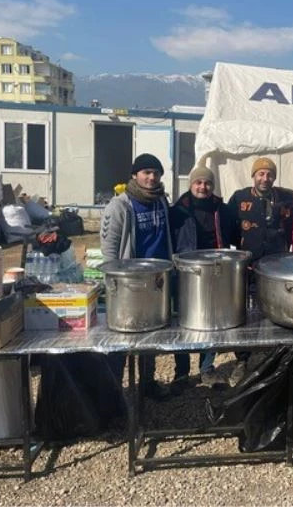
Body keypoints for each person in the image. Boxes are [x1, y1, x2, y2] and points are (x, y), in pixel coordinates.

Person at [101, 153, 173, 400]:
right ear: (135, 175)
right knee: (123, 337)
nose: (152, 178)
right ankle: (112, 392)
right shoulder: (120, 205)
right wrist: (113, 282)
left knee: (151, 332)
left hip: (156, 279)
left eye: (156, 173)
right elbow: (109, 248)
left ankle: (147, 384)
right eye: (146, 173)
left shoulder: (161, 201)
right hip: (128, 282)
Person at [226, 157, 293, 384]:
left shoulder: (285, 200)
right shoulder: (240, 198)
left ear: (274, 177)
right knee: (244, 312)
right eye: (261, 174)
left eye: (269, 174)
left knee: (275, 310)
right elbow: (228, 228)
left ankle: (271, 358)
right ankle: (242, 359)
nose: (265, 178)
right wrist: (243, 248)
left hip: (276, 267)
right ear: (253, 176)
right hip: (248, 264)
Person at [169, 160, 235, 392]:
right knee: (183, 323)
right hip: (186, 272)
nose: (203, 187)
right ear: (191, 184)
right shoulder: (177, 210)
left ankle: (207, 368)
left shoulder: (222, 209)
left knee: (213, 320)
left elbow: (234, 236)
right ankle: (181, 373)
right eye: (198, 182)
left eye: (208, 183)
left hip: (215, 272)